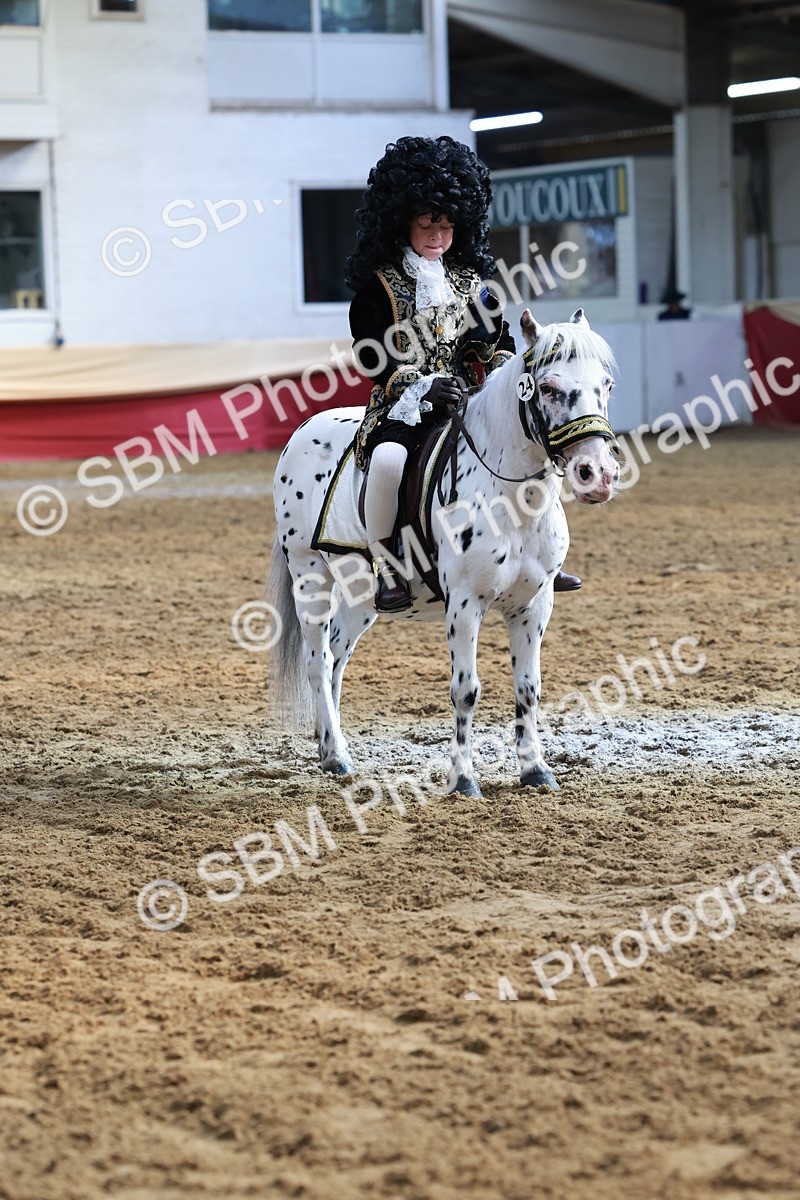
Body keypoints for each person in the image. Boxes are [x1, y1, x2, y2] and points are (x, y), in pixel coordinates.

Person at [345, 135, 581, 613]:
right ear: (403, 222)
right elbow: (374, 361)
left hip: (466, 400)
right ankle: (387, 564)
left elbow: (496, 345)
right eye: (427, 224)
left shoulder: (473, 285)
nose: (437, 236)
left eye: (447, 226)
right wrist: (422, 384)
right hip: (403, 404)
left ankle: (539, 559)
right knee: (390, 461)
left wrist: (497, 377)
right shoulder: (378, 290)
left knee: (528, 450)